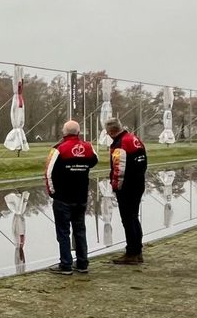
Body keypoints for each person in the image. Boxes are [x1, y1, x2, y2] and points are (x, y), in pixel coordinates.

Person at [44, 120, 98, 275]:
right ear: (78, 132)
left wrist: (52, 192)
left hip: (63, 197)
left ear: (64, 132)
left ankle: (66, 264)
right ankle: (82, 263)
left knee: (63, 232)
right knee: (80, 230)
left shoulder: (58, 149)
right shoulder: (88, 147)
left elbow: (48, 173)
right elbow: (94, 161)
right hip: (81, 196)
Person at [106, 118, 148, 264]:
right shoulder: (135, 139)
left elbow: (119, 169)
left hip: (127, 187)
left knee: (128, 219)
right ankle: (138, 250)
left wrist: (115, 186)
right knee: (134, 217)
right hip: (138, 183)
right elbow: (144, 163)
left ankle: (132, 253)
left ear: (111, 131)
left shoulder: (120, 144)